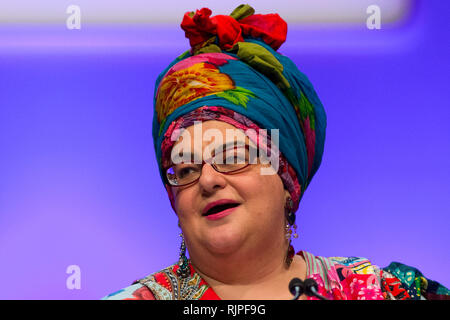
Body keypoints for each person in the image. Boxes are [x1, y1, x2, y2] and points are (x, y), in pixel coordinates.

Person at [102, 4, 449, 300]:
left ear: (287, 178)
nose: (207, 180)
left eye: (233, 157)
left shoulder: (377, 291)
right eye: (186, 169)